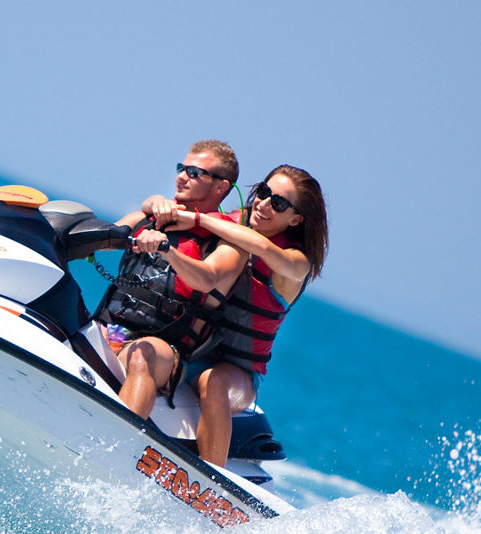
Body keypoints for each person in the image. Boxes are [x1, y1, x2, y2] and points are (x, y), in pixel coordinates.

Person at [164, 165, 328, 466]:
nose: (263, 205)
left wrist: (198, 219)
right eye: (263, 193)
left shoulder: (295, 264)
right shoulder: (230, 223)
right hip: (192, 348)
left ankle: (211, 480)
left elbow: (261, 246)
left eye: (278, 203)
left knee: (213, 383)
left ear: (295, 219)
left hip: (236, 373)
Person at [100, 140, 249, 420]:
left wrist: (166, 249)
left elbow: (207, 279)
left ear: (221, 187)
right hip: (109, 326)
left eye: (195, 172)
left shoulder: (229, 244)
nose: (182, 176)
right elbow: (105, 238)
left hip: (163, 349)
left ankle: (115, 444)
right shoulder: (152, 216)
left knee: (145, 354)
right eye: (183, 168)